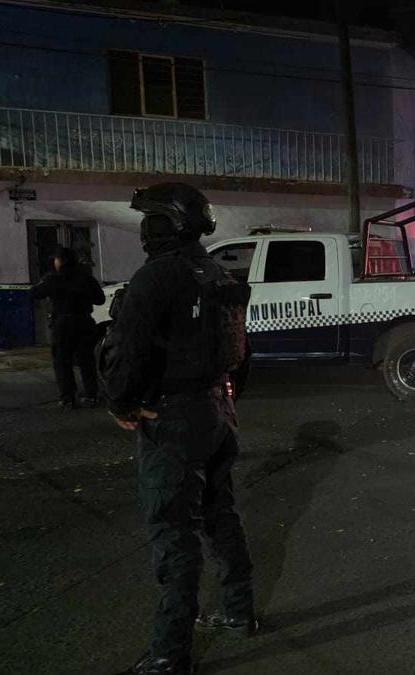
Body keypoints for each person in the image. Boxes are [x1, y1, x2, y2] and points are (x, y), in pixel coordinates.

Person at [99, 182, 254, 675]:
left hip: (175, 417)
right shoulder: (213, 271)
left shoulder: (157, 277)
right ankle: (237, 610)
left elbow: (127, 351)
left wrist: (121, 403)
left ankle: (169, 653)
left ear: (168, 223)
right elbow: (237, 349)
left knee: (173, 530)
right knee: (218, 514)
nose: (146, 228)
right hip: (216, 409)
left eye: (152, 218)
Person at [31, 246, 105, 408]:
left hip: (62, 325)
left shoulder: (52, 279)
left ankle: (68, 398)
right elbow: (100, 300)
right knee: (86, 361)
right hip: (84, 323)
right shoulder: (86, 278)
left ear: (59, 261)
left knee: (62, 362)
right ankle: (91, 395)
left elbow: (35, 293)